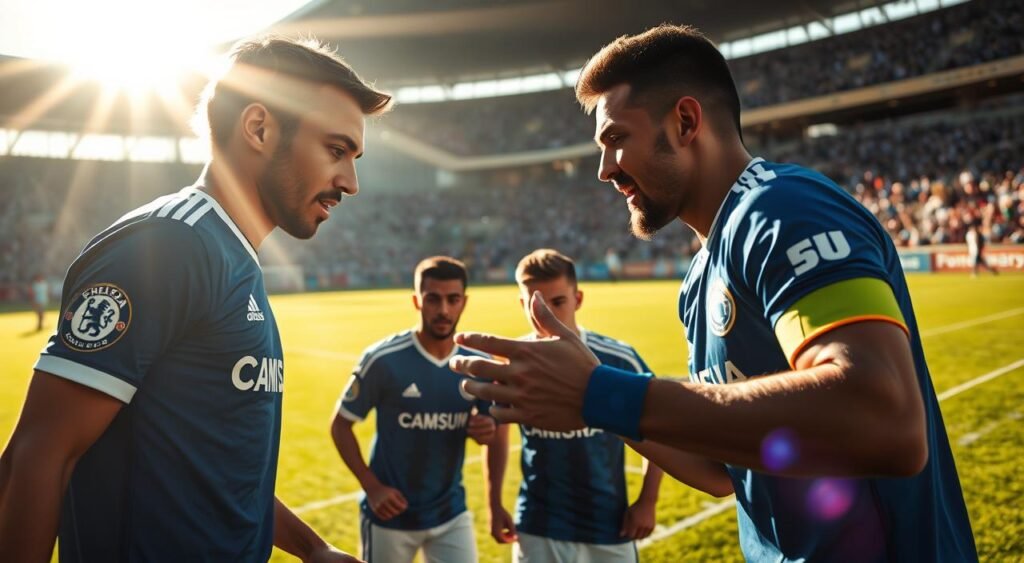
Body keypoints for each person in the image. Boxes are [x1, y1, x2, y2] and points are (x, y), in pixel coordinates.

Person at [452, 24, 977, 562]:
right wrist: (595, 395)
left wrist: (601, 393)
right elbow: (721, 471)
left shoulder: (783, 209)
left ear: (685, 122)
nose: (605, 170)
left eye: (615, 139)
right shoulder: (701, 275)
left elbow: (887, 421)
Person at [0, 36, 392, 562]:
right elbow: (37, 456)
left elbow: (214, 470)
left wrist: (312, 548)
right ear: (258, 129)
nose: (351, 181)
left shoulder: (230, 253)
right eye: (336, 150)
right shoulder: (169, 244)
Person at [486, 249, 664, 563]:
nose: (547, 315)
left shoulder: (618, 359)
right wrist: (494, 502)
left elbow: (657, 429)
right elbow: (499, 435)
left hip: (609, 524)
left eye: (557, 303)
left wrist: (647, 501)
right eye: (535, 303)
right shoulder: (513, 362)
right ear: (521, 303)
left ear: (578, 299)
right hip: (538, 524)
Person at [331, 256, 497, 563]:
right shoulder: (384, 359)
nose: (444, 310)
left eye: (453, 299)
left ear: (464, 302)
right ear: (416, 300)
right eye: (433, 299)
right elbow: (340, 425)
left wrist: (486, 430)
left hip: (450, 513)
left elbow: (493, 429)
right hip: (390, 516)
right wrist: (373, 487)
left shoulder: (477, 365)